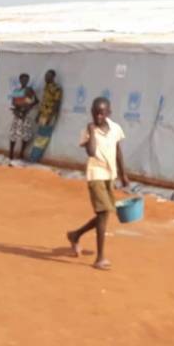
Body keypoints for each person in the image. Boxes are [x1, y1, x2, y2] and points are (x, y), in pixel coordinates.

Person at [66, 96, 126, 271]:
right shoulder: (87, 130)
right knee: (104, 211)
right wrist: (92, 131)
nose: (98, 117)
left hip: (110, 174)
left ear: (108, 113)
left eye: (101, 113)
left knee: (104, 215)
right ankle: (100, 258)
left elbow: (118, 151)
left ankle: (75, 234)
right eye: (95, 113)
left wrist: (123, 174)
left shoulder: (115, 128)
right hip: (96, 174)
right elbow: (91, 152)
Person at [8, 73, 39, 160]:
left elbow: (36, 101)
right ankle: (10, 153)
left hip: (26, 115)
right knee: (13, 134)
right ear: (20, 80)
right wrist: (16, 111)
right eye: (23, 79)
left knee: (26, 135)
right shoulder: (16, 91)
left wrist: (29, 107)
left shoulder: (30, 90)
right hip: (17, 115)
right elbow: (13, 103)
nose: (25, 81)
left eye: (27, 79)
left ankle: (21, 153)